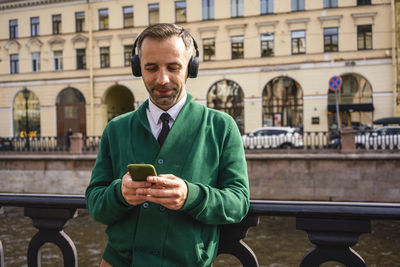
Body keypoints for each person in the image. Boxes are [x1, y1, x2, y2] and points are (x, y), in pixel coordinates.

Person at [86, 23, 249, 267]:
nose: (162, 79)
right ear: (137, 68)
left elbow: (238, 202)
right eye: (151, 68)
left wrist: (190, 196)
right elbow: (95, 204)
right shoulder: (115, 129)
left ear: (190, 68)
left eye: (173, 67)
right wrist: (120, 193)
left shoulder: (221, 126)